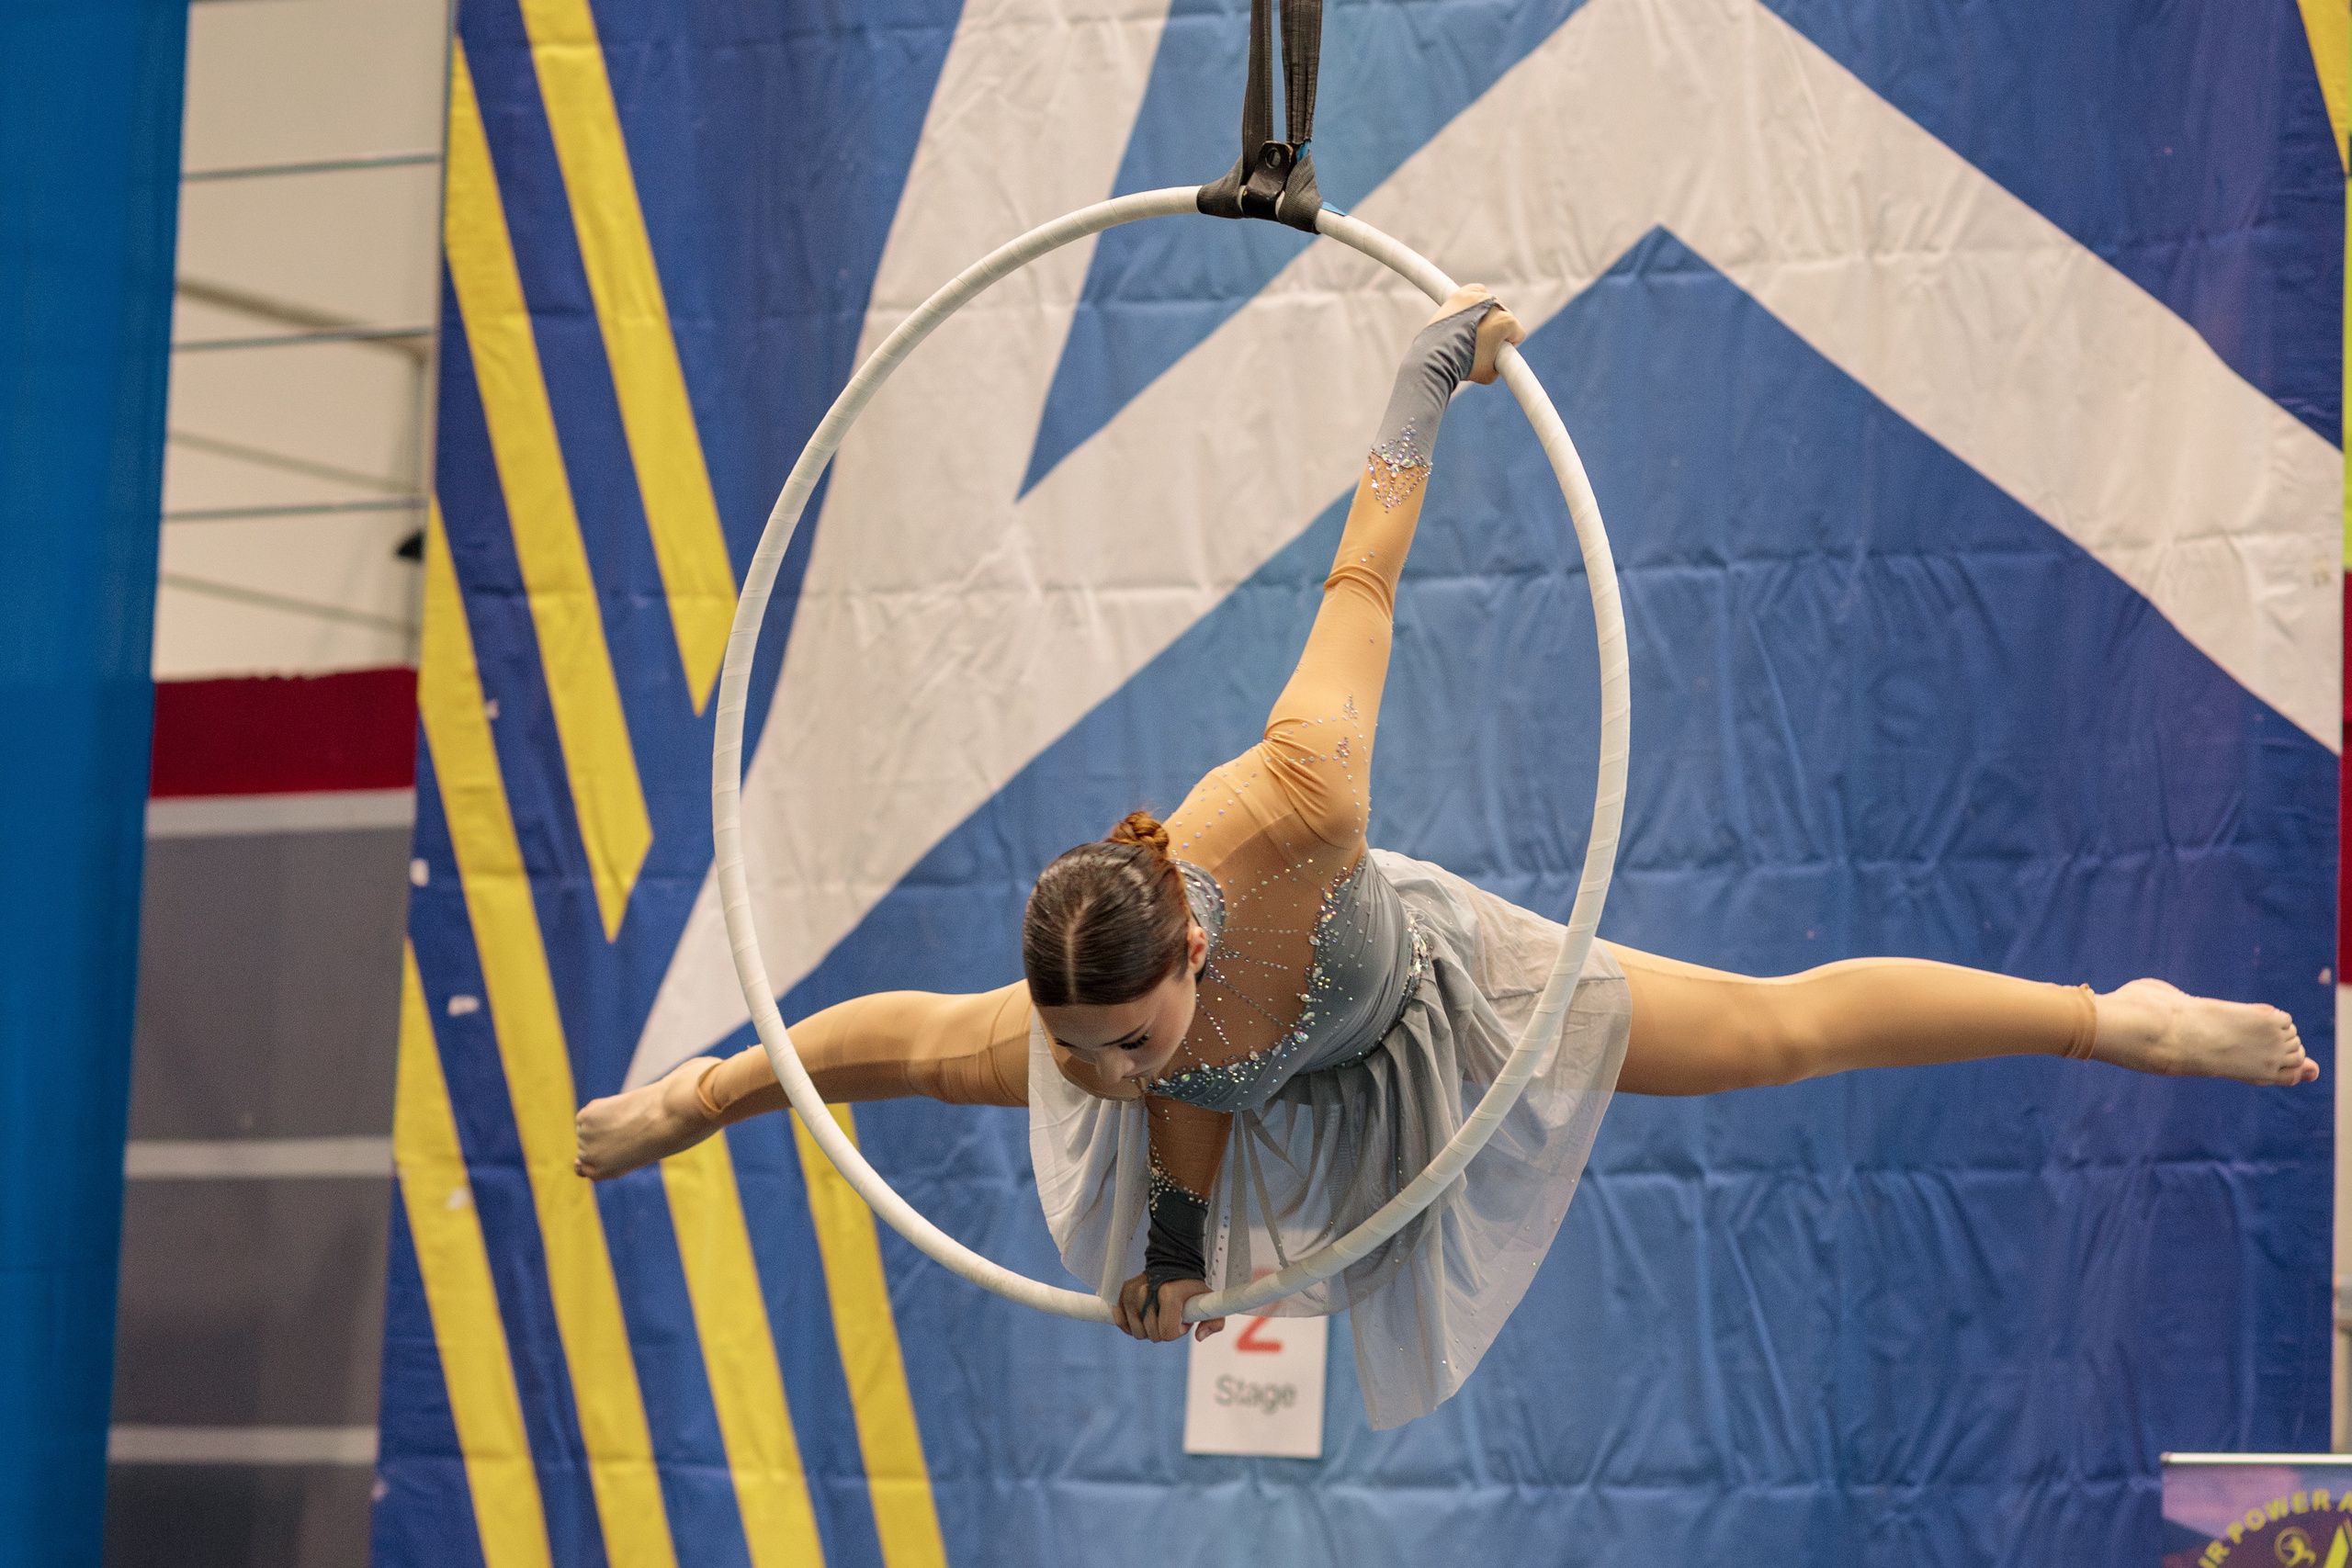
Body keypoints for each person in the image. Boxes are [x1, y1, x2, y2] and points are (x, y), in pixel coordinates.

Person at [576, 286, 2314, 1428]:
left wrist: (1423, 376)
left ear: (1186, 944)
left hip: (1434, 995)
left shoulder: (1295, 793)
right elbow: (893, 1049)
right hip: (1275, 1074)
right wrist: (706, 1100)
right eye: (1082, 1052)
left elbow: (1363, 582)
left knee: (1775, 1033)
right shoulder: (1108, 1039)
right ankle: (693, 1094)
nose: (1090, 1076)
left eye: (1118, 1038)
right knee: (937, 1063)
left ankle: (2116, 1013)